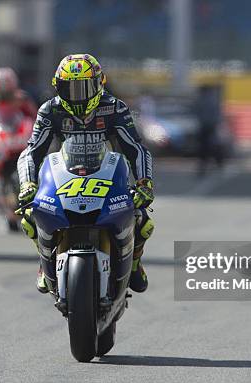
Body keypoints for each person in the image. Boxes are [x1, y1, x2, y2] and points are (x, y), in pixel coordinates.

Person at [16, 54, 155, 294]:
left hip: (107, 175)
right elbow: (32, 152)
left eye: (83, 87)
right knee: (30, 216)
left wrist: (144, 183)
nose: (76, 95)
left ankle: (133, 263)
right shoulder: (50, 110)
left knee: (142, 220)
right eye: (68, 88)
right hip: (65, 176)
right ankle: (44, 262)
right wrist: (28, 184)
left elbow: (135, 148)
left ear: (99, 84)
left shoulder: (114, 107)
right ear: (57, 87)